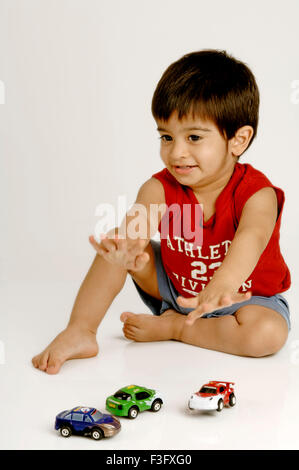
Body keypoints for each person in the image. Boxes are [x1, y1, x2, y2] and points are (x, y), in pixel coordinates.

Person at [32, 49, 291, 374]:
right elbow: (138, 226)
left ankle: (177, 328)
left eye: (194, 137)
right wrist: (126, 249)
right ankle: (80, 330)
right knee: (118, 245)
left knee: (267, 335)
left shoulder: (257, 193)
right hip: (174, 287)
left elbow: (252, 236)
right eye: (166, 137)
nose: (176, 152)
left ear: (238, 140)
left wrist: (223, 283)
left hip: (241, 299)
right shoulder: (159, 188)